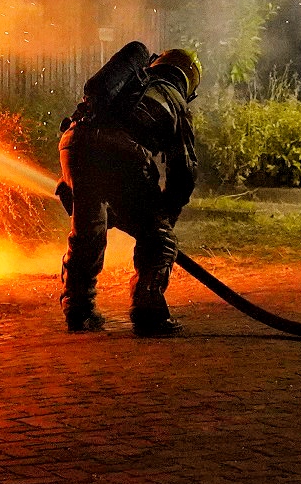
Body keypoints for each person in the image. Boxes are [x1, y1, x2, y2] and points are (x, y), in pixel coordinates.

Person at [56, 46, 201, 336]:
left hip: (74, 143)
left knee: (88, 231)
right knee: (158, 239)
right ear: (188, 83)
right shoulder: (173, 98)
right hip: (121, 153)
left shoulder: (130, 81)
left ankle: (78, 309)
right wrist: (163, 221)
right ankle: (148, 311)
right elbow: (184, 171)